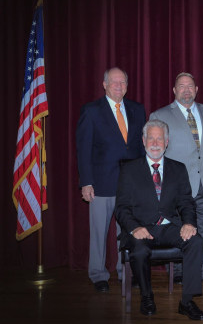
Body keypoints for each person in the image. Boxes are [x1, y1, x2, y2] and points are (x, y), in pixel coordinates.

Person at [114, 120, 203, 320]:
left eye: (160, 138)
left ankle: (187, 301)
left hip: (168, 226)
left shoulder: (178, 168)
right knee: (139, 250)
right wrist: (134, 228)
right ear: (143, 140)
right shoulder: (129, 170)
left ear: (167, 142)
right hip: (141, 228)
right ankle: (146, 296)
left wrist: (189, 224)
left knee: (196, 241)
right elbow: (121, 208)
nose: (155, 142)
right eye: (151, 138)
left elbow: (186, 203)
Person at [76, 67, 146, 292]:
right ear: (104, 85)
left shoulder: (137, 109)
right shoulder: (91, 111)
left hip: (130, 184)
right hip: (101, 184)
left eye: (123, 82)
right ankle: (98, 275)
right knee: (99, 231)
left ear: (127, 86)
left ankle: (124, 271)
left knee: (127, 231)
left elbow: (140, 148)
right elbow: (83, 149)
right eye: (114, 82)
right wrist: (86, 182)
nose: (119, 86)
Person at [150, 72, 203, 286]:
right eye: (181, 86)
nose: (186, 90)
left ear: (197, 89)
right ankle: (180, 270)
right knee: (179, 228)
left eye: (190, 86)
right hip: (176, 186)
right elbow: (154, 152)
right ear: (174, 90)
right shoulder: (159, 115)